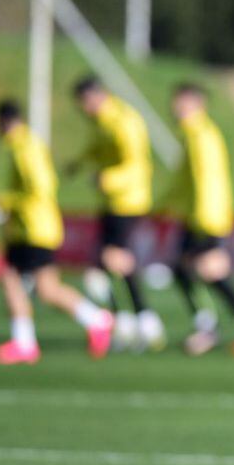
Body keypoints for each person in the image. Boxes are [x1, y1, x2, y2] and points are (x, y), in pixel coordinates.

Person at [0, 99, 113, 365]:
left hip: (34, 228)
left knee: (12, 279)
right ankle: (96, 320)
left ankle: (25, 342)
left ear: (2, 122)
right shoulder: (24, 144)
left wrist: (7, 201)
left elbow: (42, 187)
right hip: (33, 228)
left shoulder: (25, 147)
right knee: (46, 289)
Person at [67, 76, 165, 352]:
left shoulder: (124, 121)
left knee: (109, 258)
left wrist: (107, 179)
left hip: (129, 200)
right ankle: (137, 320)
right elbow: (96, 149)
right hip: (112, 201)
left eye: (85, 103)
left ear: (97, 96)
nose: (84, 110)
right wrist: (78, 164)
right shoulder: (101, 122)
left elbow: (138, 166)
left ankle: (133, 320)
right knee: (115, 260)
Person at [163, 84, 234, 356]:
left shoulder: (200, 134)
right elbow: (185, 179)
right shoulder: (195, 133)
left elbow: (205, 180)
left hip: (206, 216)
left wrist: (203, 216)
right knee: (192, 269)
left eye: (180, 102)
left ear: (196, 104)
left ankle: (233, 326)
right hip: (200, 214)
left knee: (205, 269)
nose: (175, 108)